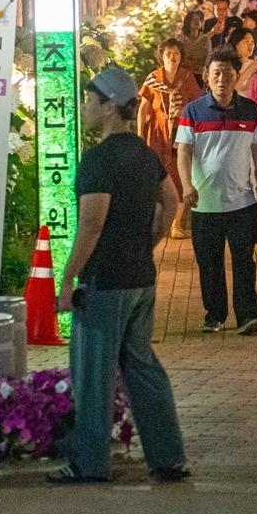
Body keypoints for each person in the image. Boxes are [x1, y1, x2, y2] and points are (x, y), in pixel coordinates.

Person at [49, 67, 190, 485]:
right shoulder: (145, 155)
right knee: (142, 367)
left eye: (91, 99)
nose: (85, 106)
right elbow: (171, 200)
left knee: (93, 375)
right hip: (141, 279)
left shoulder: (98, 160)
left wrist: (67, 280)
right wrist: (150, 242)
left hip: (105, 281)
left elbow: (91, 224)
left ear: (110, 107)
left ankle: (89, 464)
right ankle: (167, 457)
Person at [176, 47, 257, 336]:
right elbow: (184, 152)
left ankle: (248, 316)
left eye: (228, 74)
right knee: (209, 264)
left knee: (245, 261)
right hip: (204, 204)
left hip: (242, 202)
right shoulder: (193, 111)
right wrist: (187, 186)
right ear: (206, 76)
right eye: (216, 73)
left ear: (236, 77)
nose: (222, 79)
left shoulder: (249, 110)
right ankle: (214, 315)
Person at [139, 39, 203, 238]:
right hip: (158, 134)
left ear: (181, 56)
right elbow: (144, 108)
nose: (172, 57)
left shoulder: (187, 77)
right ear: (162, 55)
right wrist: (140, 135)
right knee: (155, 176)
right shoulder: (153, 79)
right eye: (168, 53)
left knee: (179, 176)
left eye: (176, 53)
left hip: (180, 133)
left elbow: (197, 106)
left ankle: (177, 224)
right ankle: (157, 223)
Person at [180, 11, 210, 84]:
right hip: (183, 76)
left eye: (198, 19)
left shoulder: (205, 40)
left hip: (200, 77)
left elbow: (207, 60)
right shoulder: (181, 39)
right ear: (188, 21)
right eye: (193, 19)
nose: (197, 21)